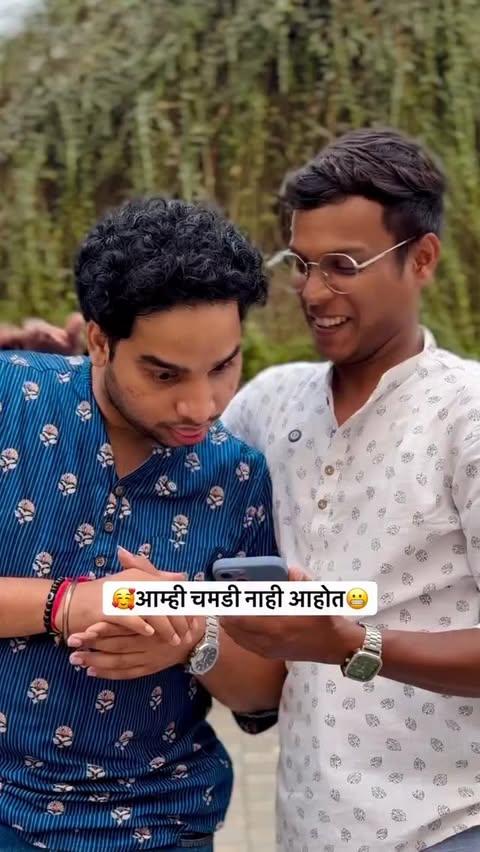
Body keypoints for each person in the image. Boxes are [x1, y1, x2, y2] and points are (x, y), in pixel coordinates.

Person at [219, 128, 480, 851]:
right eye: (301, 264)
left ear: (421, 259)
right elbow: (167, 452)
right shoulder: (269, 403)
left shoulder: (467, 417)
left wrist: (354, 642)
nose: (313, 291)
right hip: (312, 827)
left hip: (450, 823)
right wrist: (82, 374)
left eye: (343, 265)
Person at [0, 197, 285, 852]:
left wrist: (195, 637)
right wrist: (67, 604)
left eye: (224, 366)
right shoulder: (12, 400)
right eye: (164, 374)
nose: (201, 405)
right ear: (100, 341)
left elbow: (262, 694)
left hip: (161, 823)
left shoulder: (238, 475)